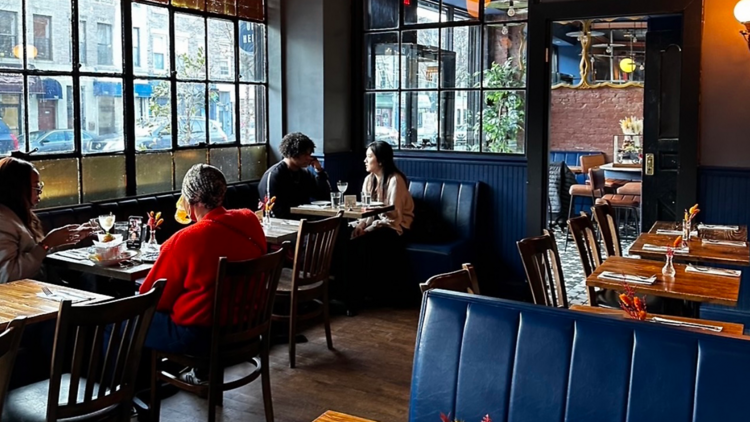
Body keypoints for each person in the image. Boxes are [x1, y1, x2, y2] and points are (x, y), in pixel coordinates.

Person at [138, 164, 267, 381]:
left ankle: (121, 400)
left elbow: (152, 299)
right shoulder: (249, 220)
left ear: (188, 202)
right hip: (249, 328)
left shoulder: (187, 238)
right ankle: (200, 375)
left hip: (201, 337)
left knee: (119, 325)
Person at [0, 157, 94, 284]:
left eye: (40, 185)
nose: (40, 191)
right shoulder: (3, 221)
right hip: (23, 295)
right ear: (16, 188)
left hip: (41, 284)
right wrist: (47, 243)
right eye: (35, 187)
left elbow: (37, 254)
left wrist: (67, 238)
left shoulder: (20, 214)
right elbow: (8, 276)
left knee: (92, 276)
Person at [348, 141, 415, 307]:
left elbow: (394, 218)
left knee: (366, 243)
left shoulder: (395, 180)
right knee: (347, 237)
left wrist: (369, 229)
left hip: (399, 227)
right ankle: (351, 294)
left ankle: (371, 294)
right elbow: (367, 211)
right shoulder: (368, 180)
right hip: (380, 224)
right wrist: (360, 226)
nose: (365, 160)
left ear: (381, 160)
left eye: (369, 156)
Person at [258, 132, 331, 219]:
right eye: (305, 154)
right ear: (292, 154)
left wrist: (319, 172)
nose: (310, 158)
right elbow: (273, 211)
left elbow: (324, 196)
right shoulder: (274, 175)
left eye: (310, 154)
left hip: (305, 223)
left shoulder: (305, 174)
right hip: (283, 226)